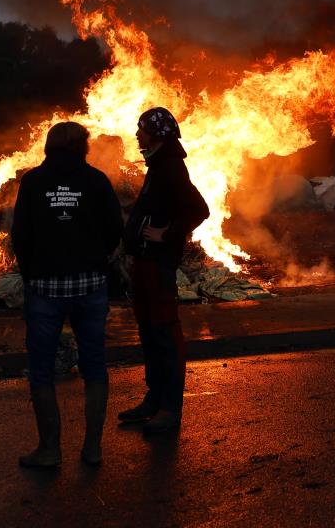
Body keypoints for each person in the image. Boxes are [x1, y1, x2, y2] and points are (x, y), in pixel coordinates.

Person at [10, 121, 123, 467]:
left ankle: (50, 450)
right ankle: (92, 448)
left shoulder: (32, 182)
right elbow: (114, 230)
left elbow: (21, 236)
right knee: (94, 366)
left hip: (45, 289)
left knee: (42, 370)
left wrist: (33, 274)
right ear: (82, 147)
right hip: (89, 286)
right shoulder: (96, 181)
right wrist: (95, 262)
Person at [118, 106, 209, 435]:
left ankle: (170, 408)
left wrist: (167, 234)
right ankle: (154, 399)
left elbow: (200, 210)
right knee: (148, 332)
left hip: (158, 264)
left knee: (164, 335)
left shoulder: (171, 167)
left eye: (141, 129)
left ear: (156, 133)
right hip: (145, 263)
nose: (137, 134)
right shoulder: (157, 164)